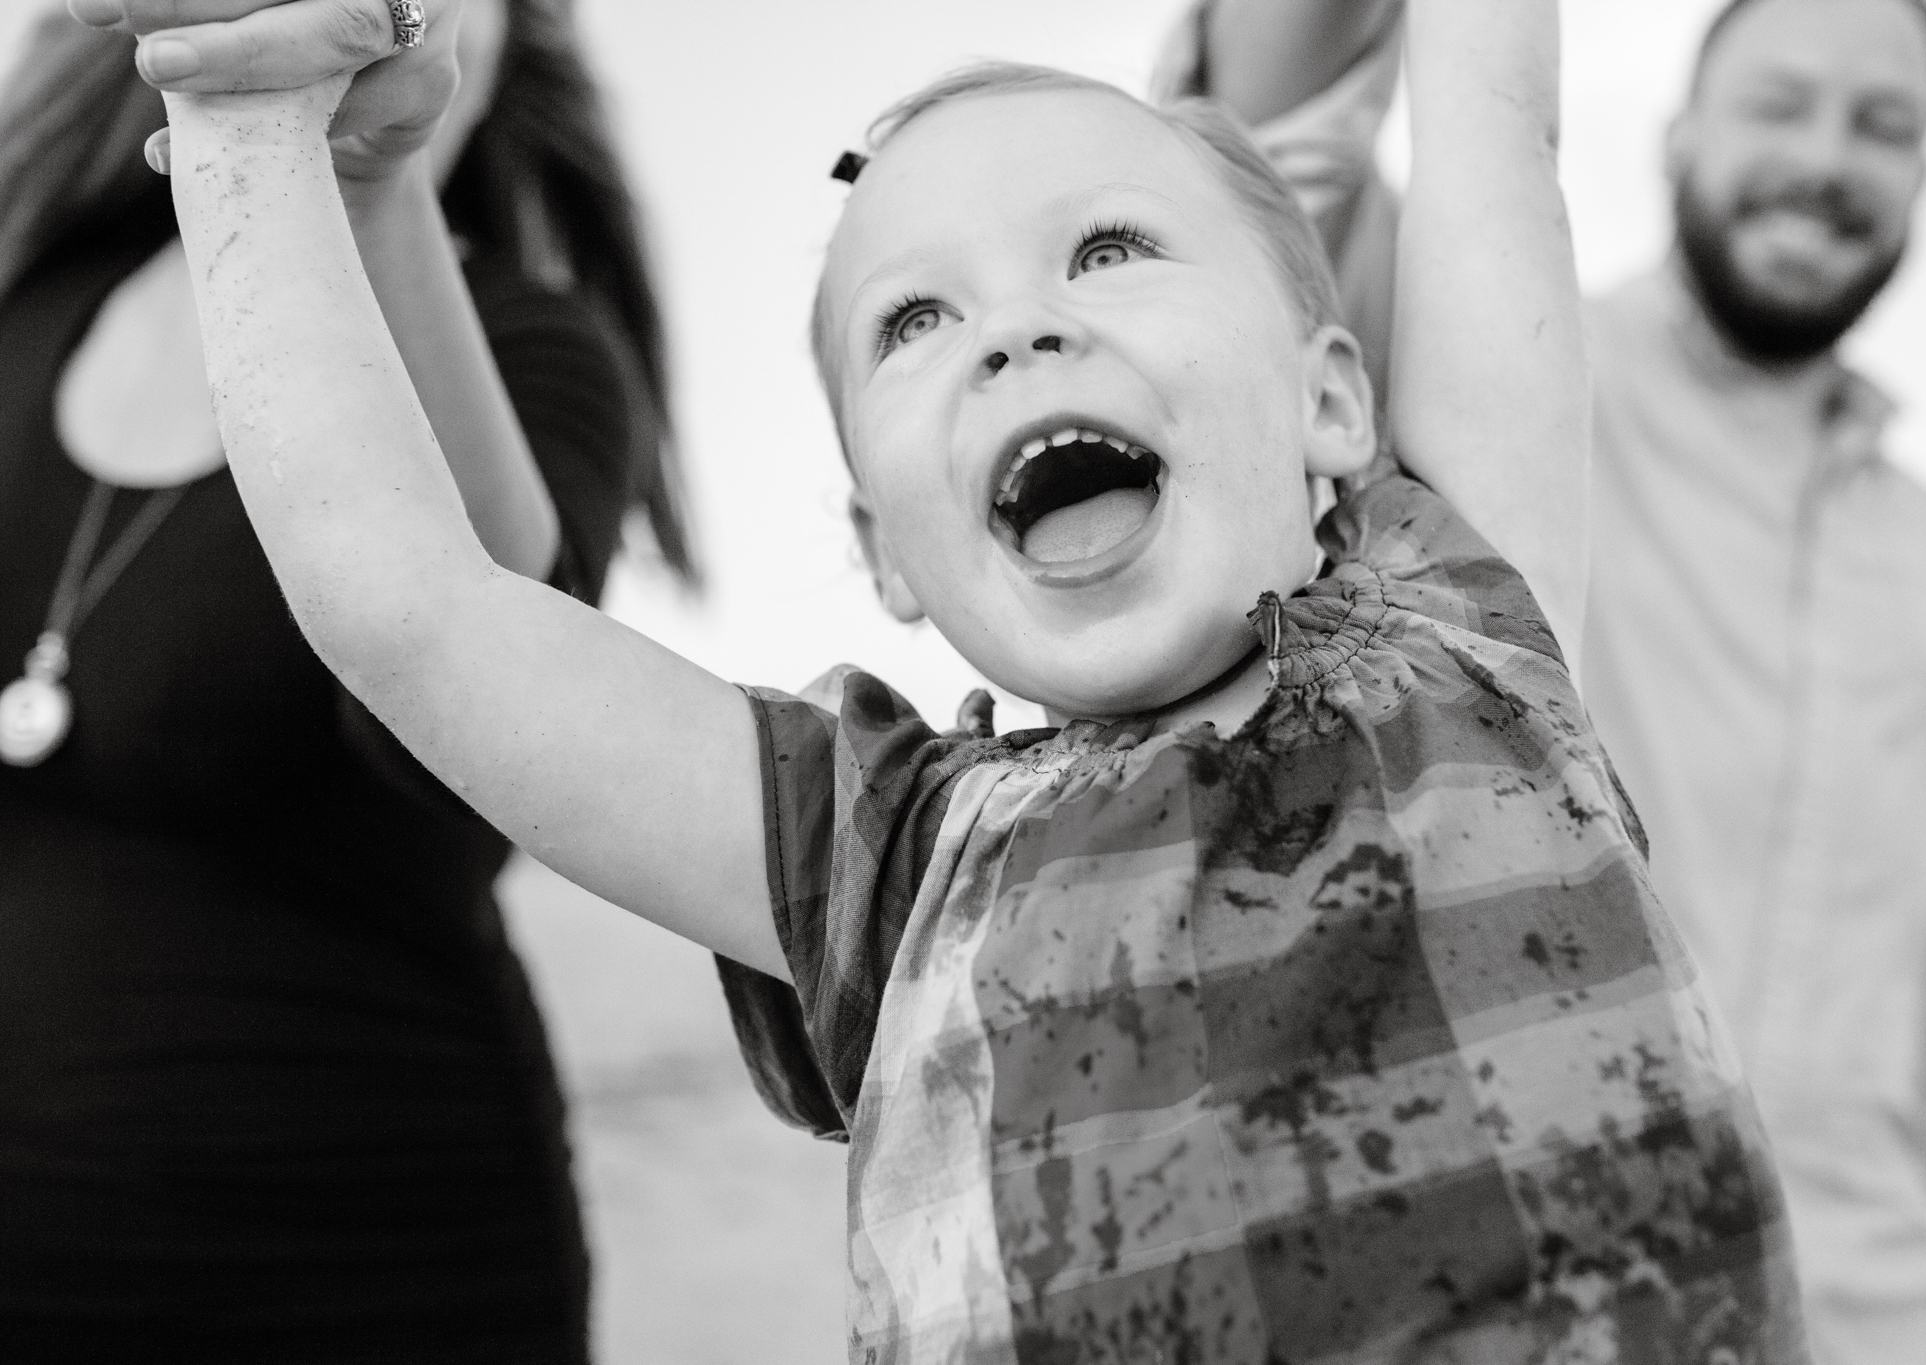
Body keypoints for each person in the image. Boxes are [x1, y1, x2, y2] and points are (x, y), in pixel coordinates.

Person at [145, 0, 1808, 1358]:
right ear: (885, 554)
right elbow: (416, 609)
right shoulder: (880, 862)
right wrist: (251, 124)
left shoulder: (1472, 639)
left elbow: (1493, 119)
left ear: (1333, 410)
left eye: (1104, 249)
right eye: (916, 317)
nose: (1016, 330)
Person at [1181, 0, 1926, 1362]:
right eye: (1780, 102)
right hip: (1528, 1258)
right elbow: (1277, 135)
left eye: (1882, 125)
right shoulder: (1492, 365)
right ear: (1682, 132)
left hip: (1892, 1288)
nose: (1826, 156)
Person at [0, 0, 682, 1358]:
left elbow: (499, 700)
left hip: (368, 1258)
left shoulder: (531, 350)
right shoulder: (38, 302)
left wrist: (366, 177)